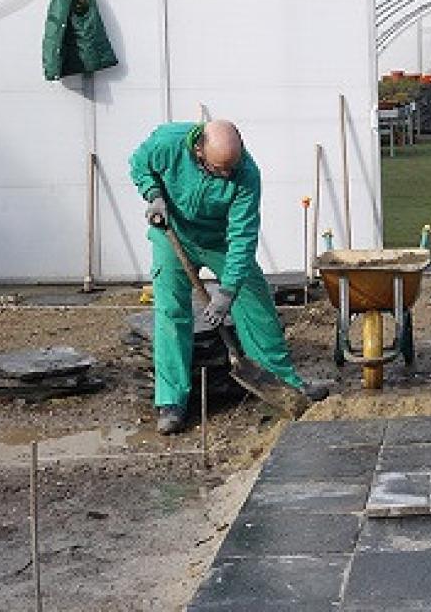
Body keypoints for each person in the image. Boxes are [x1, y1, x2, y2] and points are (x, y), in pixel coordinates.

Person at [129, 120, 326, 435]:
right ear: (198, 149)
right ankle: (172, 402)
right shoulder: (168, 142)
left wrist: (227, 291)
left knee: (255, 302)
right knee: (170, 312)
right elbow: (140, 164)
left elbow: (243, 237)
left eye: (230, 169)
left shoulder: (247, 174)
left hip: (220, 240)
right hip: (173, 234)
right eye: (218, 169)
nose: (226, 176)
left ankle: (283, 385)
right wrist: (154, 195)